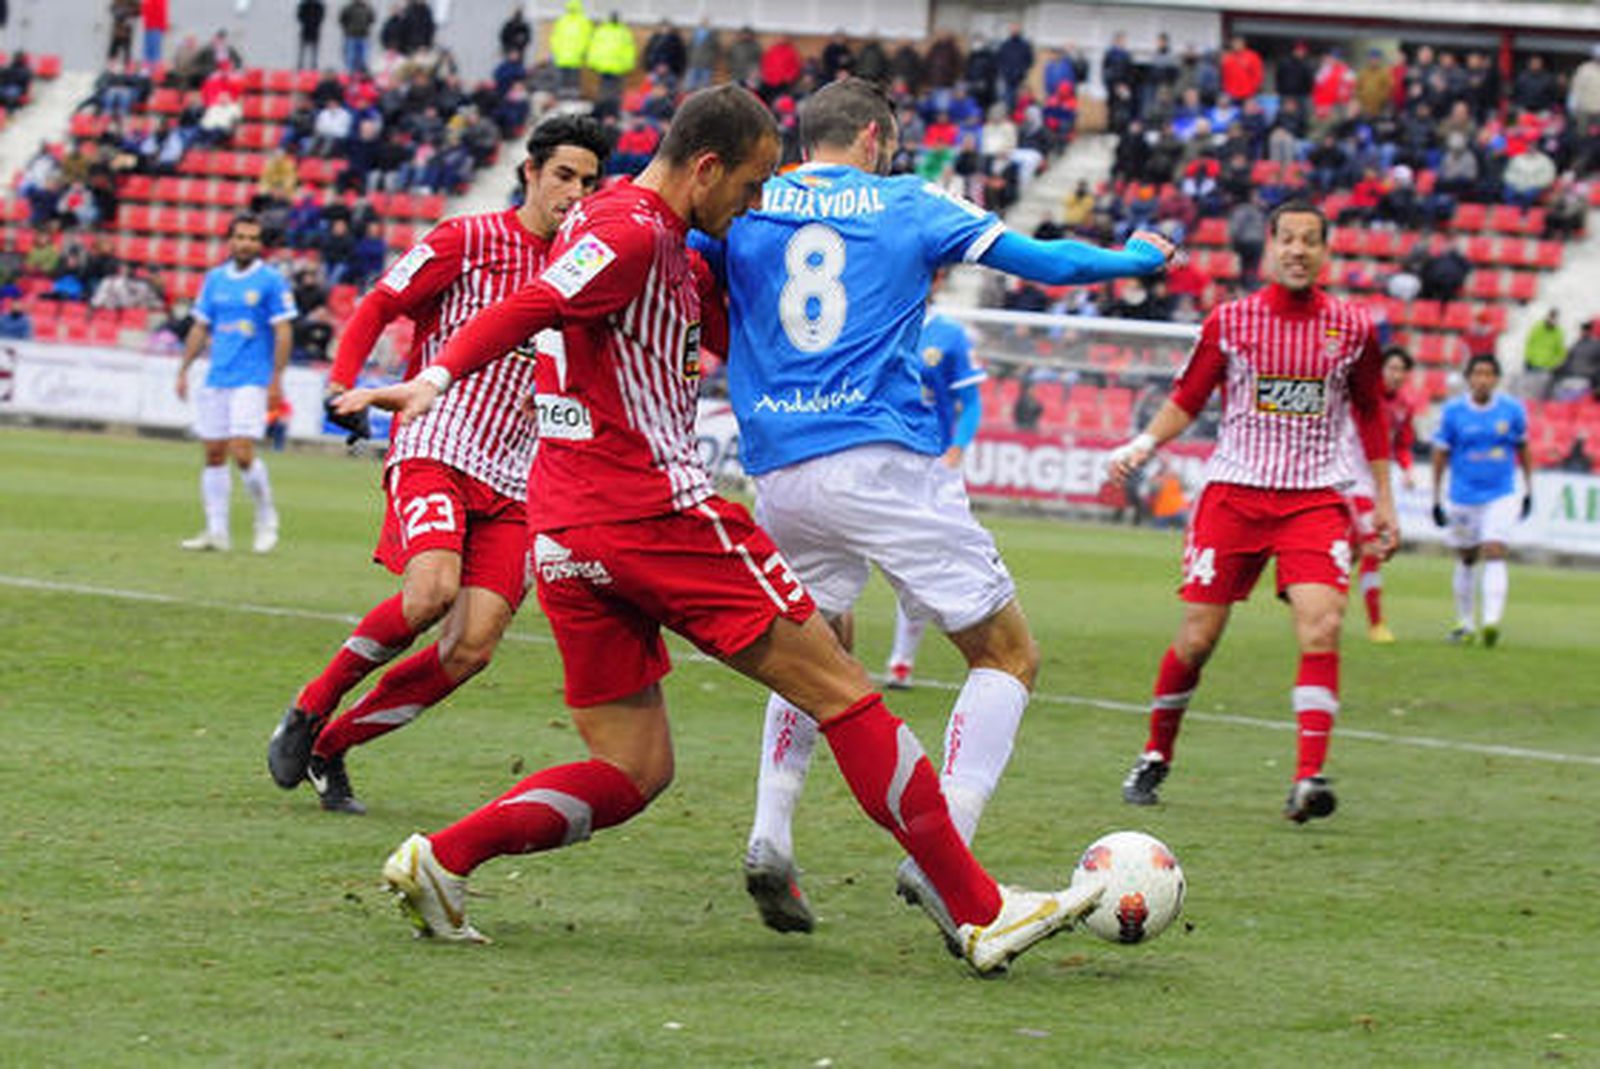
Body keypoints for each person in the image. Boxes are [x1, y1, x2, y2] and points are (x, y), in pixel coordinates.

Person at [334, 85, 1100, 975]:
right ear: (706, 167)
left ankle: (444, 857)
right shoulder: (629, 233)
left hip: (567, 531)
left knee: (632, 767)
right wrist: (435, 379)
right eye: (754, 182)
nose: (762, 201)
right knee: (843, 690)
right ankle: (980, 907)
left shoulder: (627, 223)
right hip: (655, 515)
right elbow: (536, 302)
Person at [698, 77, 1173, 940]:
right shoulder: (907, 199)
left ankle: (771, 832)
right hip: (882, 459)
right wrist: (1133, 260)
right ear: (876, 138)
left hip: (779, 471)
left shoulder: (749, 209)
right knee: (1006, 652)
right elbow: (1043, 261)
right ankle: (941, 849)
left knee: (815, 650)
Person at [265, 115, 609, 814]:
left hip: (517, 475)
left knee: (473, 646)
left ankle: (334, 746)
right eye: (564, 175)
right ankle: (310, 705)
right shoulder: (467, 238)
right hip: (438, 441)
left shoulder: (587, 267)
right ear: (531, 173)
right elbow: (382, 302)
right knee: (430, 593)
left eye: (589, 181)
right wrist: (342, 381)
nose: (576, 191)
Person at [1107, 200, 1398, 824]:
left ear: (1326, 252)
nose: (1297, 250)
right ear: (1269, 248)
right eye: (1287, 239)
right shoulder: (1231, 321)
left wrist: (1384, 501)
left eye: (1309, 241)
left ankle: (1307, 779)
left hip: (1316, 498)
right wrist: (1142, 445)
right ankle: (1156, 752)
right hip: (1234, 495)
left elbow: (1372, 413)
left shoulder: (1354, 328)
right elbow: (1188, 398)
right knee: (1197, 639)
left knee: (1323, 625)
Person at [174, 213, 296, 554]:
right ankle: (217, 532)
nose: (246, 243)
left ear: (260, 244)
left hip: (252, 378)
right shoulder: (215, 279)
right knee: (213, 454)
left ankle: (266, 517)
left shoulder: (271, 281)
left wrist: (276, 379)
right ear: (230, 241)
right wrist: (183, 369)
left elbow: (284, 330)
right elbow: (201, 327)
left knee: (242, 452)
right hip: (217, 376)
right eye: (240, 237)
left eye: (252, 238)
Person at [883, 310, 986, 691]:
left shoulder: (948, 334)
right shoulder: (878, 315)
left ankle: (901, 661)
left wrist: (958, 447)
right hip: (879, 459)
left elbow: (971, 401)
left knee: (924, 561)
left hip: (932, 466)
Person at [1431, 355, 1532, 648]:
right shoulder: (1453, 412)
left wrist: (1529, 490)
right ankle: (1465, 623)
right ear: (1468, 378)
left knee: (1495, 549)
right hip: (1463, 495)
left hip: (1501, 492)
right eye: (1477, 373)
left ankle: (1491, 622)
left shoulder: (1512, 410)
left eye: (1489, 374)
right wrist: (1436, 496)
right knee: (1466, 557)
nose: (1483, 379)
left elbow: (1524, 449)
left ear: (1497, 379)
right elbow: (1440, 454)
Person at [1348, 346, 1420, 643]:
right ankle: (1374, 622)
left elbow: (1401, 444)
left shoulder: (1404, 407)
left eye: (1401, 370)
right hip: (1349, 479)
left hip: (1375, 484)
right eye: (1391, 368)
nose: (1396, 375)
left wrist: (1407, 469)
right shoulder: (1363, 398)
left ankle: (1329, 608)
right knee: (1370, 547)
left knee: (1355, 552)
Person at [1523, 308, 1565, 400]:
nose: (1551, 321)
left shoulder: (1559, 332)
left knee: (1542, 393)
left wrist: (1554, 364)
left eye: (1554, 319)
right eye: (1550, 318)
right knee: (1530, 391)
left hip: (1547, 368)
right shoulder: (1537, 328)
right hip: (1533, 364)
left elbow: (1560, 351)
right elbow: (1530, 343)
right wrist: (1528, 358)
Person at [338, 0, 376, 74]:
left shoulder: (367, 8)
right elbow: (342, 20)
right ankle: (349, 73)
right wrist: (347, 29)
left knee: (363, 58)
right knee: (350, 57)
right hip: (351, 36)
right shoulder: (348, 7)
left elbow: (372, 19)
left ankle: (361, 74)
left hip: (363, 36)